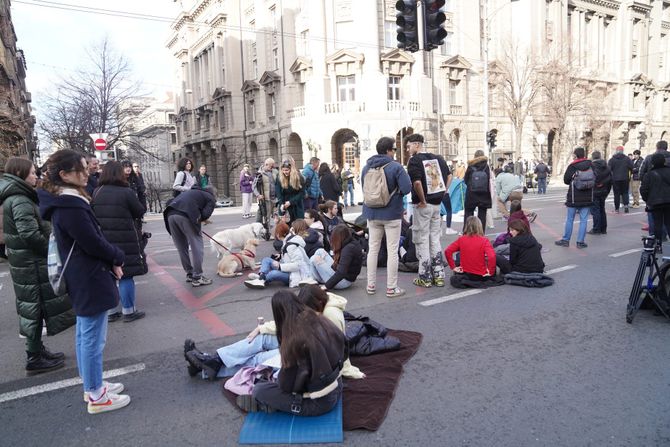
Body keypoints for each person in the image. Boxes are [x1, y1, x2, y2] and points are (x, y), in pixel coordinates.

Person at [38, 149, 130, 414]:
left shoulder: (64, 199)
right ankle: (96, 395)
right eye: (81, 168)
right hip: (88, 275)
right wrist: (117, 256)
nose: (88, 170)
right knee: (92, 337)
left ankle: (94, 385)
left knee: (85, 334)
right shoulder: (69, 204)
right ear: (65, 175)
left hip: (83, 273)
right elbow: (92, 241)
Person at [0, 157, 75, 375]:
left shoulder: (18, 196)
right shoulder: (20, 199)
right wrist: (50, 252)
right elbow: (29, 234)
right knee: (34, 308)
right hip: (31, 264)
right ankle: (33, 357)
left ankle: (37, 351)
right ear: (21, 173)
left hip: (26, 262)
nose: (36, 176)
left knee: (35, 306)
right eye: (33, 172)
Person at [233, 290, 345, 415]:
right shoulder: (321, 319)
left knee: (259, 390)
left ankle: (271, 404)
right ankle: (271, 403)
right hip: (338, 385)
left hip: (320, 402)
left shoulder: (295, 340)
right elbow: (343, 347)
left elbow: (287, 386)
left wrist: (280, 376)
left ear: (278, 315)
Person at [91, 161, 148, 323]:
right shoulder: (126, 191)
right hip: (125, 238)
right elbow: (139, 211)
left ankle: (110, 311)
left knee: (109, 275)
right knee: (126, 275)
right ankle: (129, 310)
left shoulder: (97, 191)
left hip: (104, 238)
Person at [361, 137, 412, 298]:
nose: (394, 153)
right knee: (392, 251)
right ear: (389, 150)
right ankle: (391, 288)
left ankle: (371, 285)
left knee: (373, 250)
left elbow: (364, 186)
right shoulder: (395, 167)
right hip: (391, 214)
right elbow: (406, 188)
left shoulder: (366, 166)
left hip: (372, 213)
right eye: (394, 149)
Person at [405, 133, 450, 288]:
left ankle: (425, 275)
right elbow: (449, 176)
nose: (408, 149)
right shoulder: (437, 158)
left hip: (423, 205)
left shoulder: (414, 161)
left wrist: (423, 200)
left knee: (422, 239)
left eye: (409, 145)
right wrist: (444, 192)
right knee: (435, 238)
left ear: (417, 144)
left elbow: (417, 182)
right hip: (437, 204)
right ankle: (438, 274)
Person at [163, 185, 216, 286]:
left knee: (182, 247)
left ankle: (190, 273)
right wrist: (202, 219)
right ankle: (197, 276)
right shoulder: (210, 197)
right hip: (186, 215)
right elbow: (205, 214)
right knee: (197, 246)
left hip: (170, 214)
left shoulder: (192, 192)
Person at [244, 220, 313, 289]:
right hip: (290, 270)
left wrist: (280, 266)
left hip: (297, 275)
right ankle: (262, 278)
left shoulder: (291, 245)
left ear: (278, 235)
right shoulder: (289, 240)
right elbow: (290, 257)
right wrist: (281, 256)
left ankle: (261, 278)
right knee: (266, 260)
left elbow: (298, 265)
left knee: (273, 273)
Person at [555, 147, 594, 249]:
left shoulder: (573, 166)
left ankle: (566, 240)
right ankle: (580, 242)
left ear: (575, 155)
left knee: (570, 219)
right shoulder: (591, 165)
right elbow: (596, 178)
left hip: (574, 197)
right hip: (587, 196)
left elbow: (566, 180)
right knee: (584, 220)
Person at [445, 216, 497, 286]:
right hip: (480, 275)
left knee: (458, 256)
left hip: (466, 273)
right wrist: (491, 271)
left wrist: (453, 267)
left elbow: (448, 251)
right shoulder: (484, 240)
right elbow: (492, 256)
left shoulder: (461, 239)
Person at [309, 224, 363, 290]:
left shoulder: (348, 249)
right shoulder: (350, 241)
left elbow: (341, 273)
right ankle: (314, 279)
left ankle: (315, 279)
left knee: (314, 259)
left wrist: (326, 286)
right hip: (343, 274)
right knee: (320, 251)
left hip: (344, 281)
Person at [640, 141, 670, 238]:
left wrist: (647, 198)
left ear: (657, 147)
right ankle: (664, 235)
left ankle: (656, 240)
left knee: (655, 220)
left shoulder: (649, 158)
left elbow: (642, 175)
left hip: (653, 196)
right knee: (668, 221)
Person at [463, 149, 492, 232]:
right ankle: (481, 233)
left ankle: (467, 232)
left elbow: (465, 180)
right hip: (484, 194)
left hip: (471, 194)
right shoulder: (486, 166)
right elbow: (488, 179)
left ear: (475, 156)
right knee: (482, 215)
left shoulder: (470, 166)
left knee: (468, 213)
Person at [588, 151, 612, 235]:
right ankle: (603, 228)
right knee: (602, 209)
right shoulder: (607, 167)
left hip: (594, 191)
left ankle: (596, 229)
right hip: (604, 191)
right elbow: (610, 180)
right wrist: (607, 191)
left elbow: (590, 179)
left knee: (596, 210)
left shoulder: (591, 167)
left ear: (593, 157)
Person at [276, 159, 305, 224]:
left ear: (291, 169)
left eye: (286, 170)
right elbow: (278, 192)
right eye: (283, 170)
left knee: (298, 224)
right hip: (285, 204)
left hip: (297, 204)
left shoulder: (299, 177)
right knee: (286, 225)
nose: (284, 172)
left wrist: (291, 202)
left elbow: (302, 193)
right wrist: (281, 204)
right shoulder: (279, 177)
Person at [608, 146, 633, 213]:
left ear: (616, 151)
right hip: (625, 178)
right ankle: (626, 206)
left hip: (615, 179)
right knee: (625, 193)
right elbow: (632, 167)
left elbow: (609, 169)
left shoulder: (612, 159)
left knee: (616, 194)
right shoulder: (627, 159)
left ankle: (617, 209)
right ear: (623, 151)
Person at [254, 158, 277, 229]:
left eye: (273, 166)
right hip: (266, 198)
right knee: (266, 215)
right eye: (271, 166)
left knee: (275, 215)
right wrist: (258, 195)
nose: (272, 168)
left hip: (275, 198)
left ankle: (274, 230)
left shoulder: (275, 171)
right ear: (266, 165)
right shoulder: (259, 173)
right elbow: (253, 186)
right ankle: (264, 230)